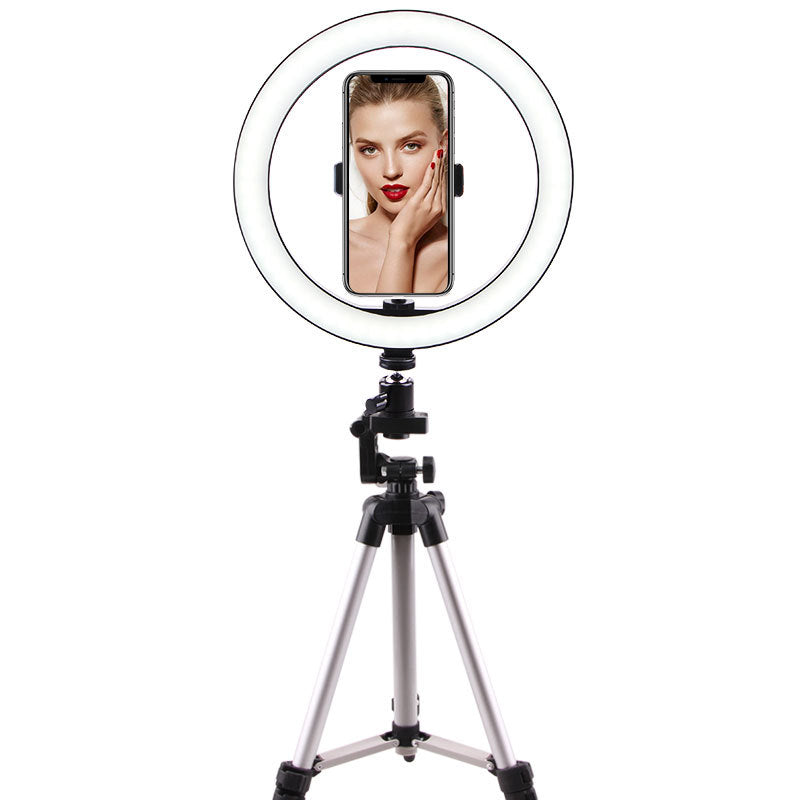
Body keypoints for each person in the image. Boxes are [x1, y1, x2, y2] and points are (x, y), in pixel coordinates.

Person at [347, 75, 449, 294]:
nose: (391, 171)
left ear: (443, 145)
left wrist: (402, 241)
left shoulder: (466, 256)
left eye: (411, 146)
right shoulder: (326, 243)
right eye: (369, 150)